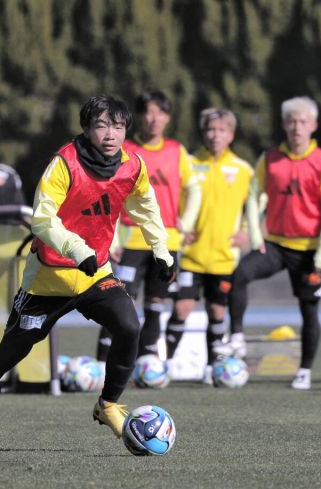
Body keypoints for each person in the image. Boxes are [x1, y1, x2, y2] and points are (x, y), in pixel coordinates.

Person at [0, 95, 175, 450]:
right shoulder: (64, 163)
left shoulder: (133, 166)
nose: (111, 134)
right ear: (86, 128)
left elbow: (146, 206)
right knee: (7, 356)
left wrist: (160, 249)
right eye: (102, 126)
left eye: (118, 126)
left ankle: (108, 404)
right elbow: (43, 220)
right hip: (48, 280)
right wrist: (78, 250)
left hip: (95, 274)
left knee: (129, 327)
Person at [224, 96, 321, 390]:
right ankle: (236, 336)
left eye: (302, 122)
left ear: (313, 125)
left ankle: (304, 371)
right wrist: (255, 236)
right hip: (274, 245)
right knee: (239, 274)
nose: (296, 127)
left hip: (310, 250)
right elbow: (253, 196)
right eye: (291, 121)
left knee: (309, 309)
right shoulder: (270, 158)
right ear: (284, 125)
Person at [96, 90, 201, 365]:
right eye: (149, 112)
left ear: (168, 118)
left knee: (156, 305)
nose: (154, 119)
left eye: (161, 113)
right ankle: (102, 362)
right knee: (118, 304)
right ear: (139, 117)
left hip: (166, 243)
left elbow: (194, 189)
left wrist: (186, 222)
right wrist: (113, 239)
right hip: (130, 240)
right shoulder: (125, 151)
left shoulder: (177, 151)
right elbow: (109, 195)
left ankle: (147, 361)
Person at [163, 108, 254, 384]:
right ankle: (166, 365)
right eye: (211, 130)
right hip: (192, 255)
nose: (216, 135)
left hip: (224, 258)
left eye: (221, 130)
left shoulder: (243, 169)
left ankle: (212, 368)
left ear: (231, 135)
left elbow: (255, 203)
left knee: (217, 312)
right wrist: (180, 225)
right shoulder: (189, 163)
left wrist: (246, 231)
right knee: (182, 309)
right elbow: (171, 197)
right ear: (204, 133)